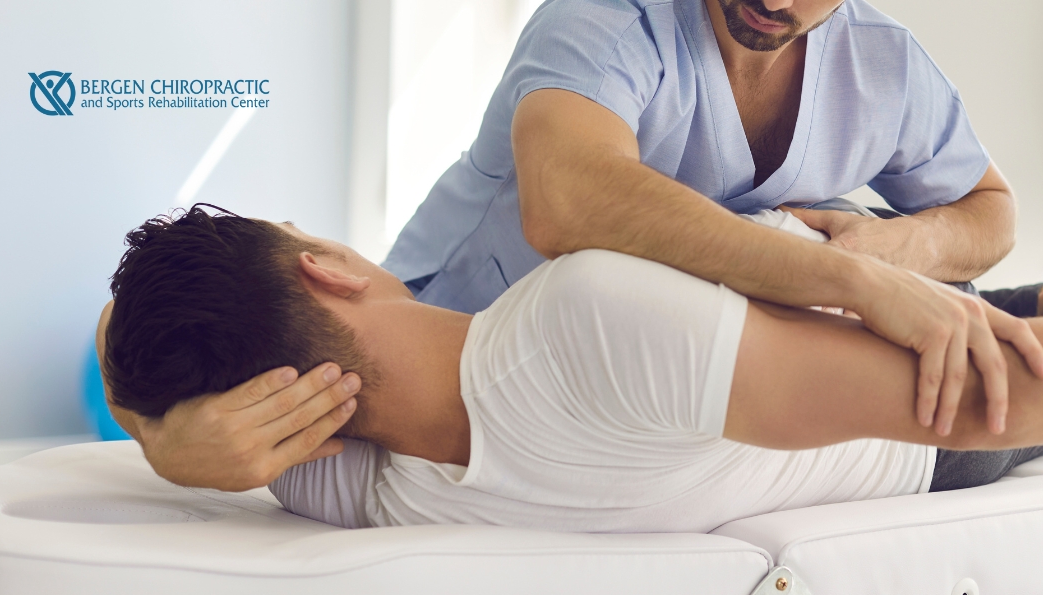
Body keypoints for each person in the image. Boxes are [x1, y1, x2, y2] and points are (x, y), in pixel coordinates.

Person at [107, 0, 1043, 487]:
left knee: (1002, 345)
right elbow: (570, 203)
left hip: (764, 350)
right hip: (533, 379)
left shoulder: (883, 64)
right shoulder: (607, 22)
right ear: (326, 271)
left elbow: (988, 211)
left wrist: (894, 260)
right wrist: (160, 439)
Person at [99, 208, 1043, 532]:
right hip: (902, 391)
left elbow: (122, 340)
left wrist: (173, 452)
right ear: (328, 269)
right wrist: (872, 278)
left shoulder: (342, 481)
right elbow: (995, 402)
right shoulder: (581, 323)